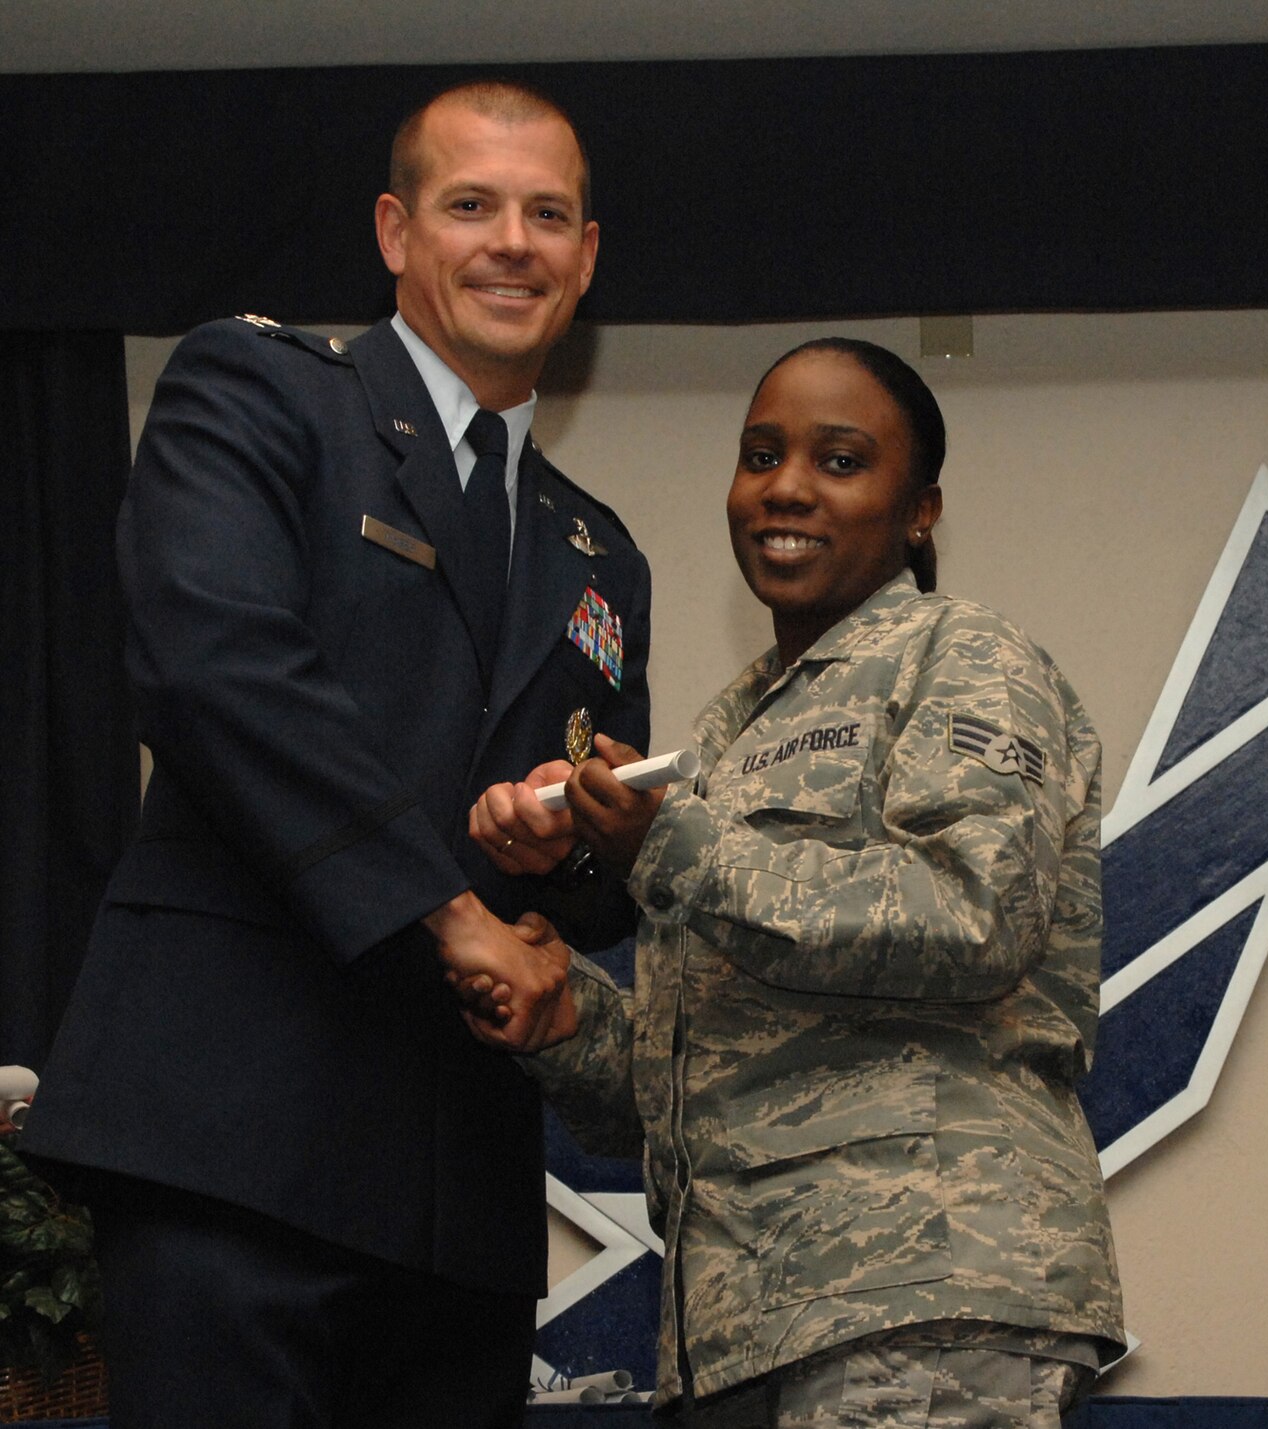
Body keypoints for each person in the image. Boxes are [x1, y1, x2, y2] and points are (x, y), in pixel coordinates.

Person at [23, 80, 650, 1428]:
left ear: (587, 258)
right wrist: (451, 909)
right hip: (230, 1144)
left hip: (458, 1204)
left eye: (550, 215)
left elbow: (587, 893)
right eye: (471, 205)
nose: (513, 242)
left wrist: (580, 843)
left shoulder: (598, 551)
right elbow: (221, 673)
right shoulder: (259, 390)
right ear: (394, 230)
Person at [466, 338, 1123, 1427]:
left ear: (921, 510)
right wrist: (560, 1010)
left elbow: (972, 918)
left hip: (920, 1301)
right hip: (741, 1326)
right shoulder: (726, 732)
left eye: (840, 459)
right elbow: (701, 1084)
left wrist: (665, 847)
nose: (786, 487)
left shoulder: (963, 657)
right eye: (760, 453)